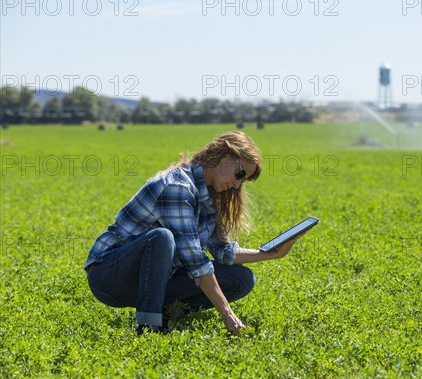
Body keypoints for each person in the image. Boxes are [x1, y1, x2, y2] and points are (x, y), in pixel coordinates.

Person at [84, 131, 302, 335]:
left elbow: (223, 252)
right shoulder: (177, 187)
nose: (237, 184)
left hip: (153, 279)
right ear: (224, 157)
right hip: (110, 276)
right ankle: (150, 326)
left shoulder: (208, 195)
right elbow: (196, 263)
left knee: (241, 279)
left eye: (242, 180)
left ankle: (168, 312)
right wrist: (228, 314)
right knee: (162, 238)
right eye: (239, 173)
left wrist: (271, 253)